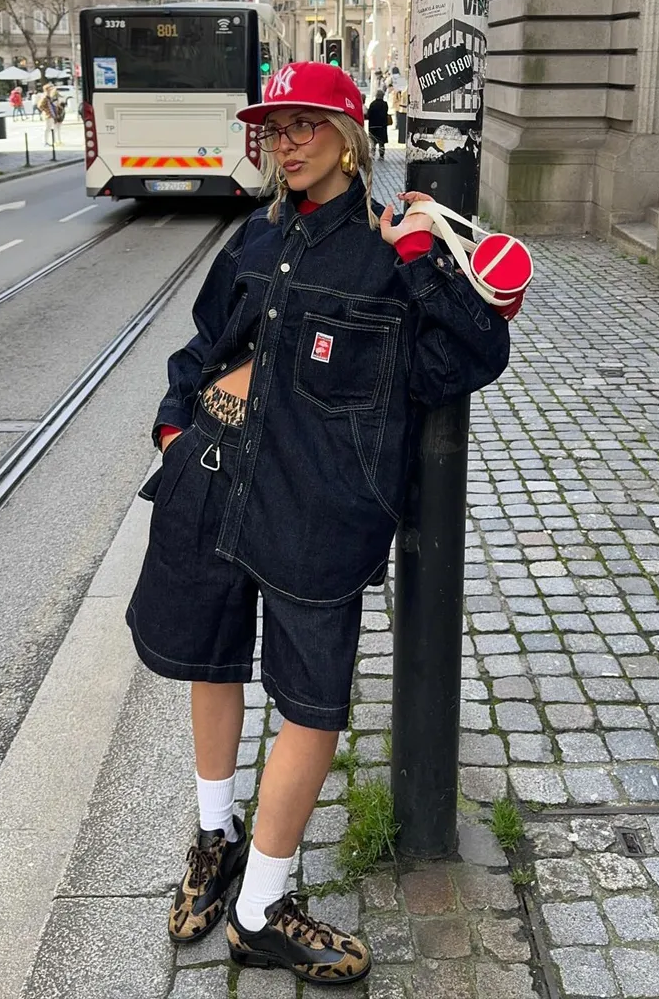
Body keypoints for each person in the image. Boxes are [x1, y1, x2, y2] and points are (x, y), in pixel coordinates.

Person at [126, 62, 516, 985]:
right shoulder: (255, 241)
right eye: (276, 128)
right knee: (211, 661)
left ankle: (259, 908)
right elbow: (201, 345)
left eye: (306, 125)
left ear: (349, 138)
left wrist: (421, 257)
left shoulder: (387, 252)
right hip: (212, 483)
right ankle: (215, 840)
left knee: (311, 704)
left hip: (317, 511)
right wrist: (176, 430)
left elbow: (470, 355)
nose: (287, 142)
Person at [366, 89, 389, 159]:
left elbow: (369, 115)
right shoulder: (385, 104)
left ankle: (372, 153)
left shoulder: (372, 104)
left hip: (373, 126)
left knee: (373, 141)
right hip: (382, 126)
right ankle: (381, 155)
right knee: (381, 142)